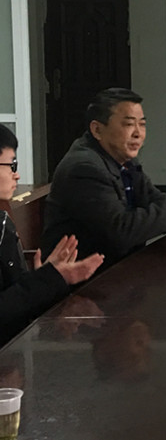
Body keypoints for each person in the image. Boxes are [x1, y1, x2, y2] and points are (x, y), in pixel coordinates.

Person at [42, 88, 166, 267]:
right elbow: (121, 232)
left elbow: (153, 201)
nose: (138, 133)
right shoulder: (84, 168)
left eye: (142, 124)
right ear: (97, 130)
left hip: (118, 269)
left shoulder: (125, 161)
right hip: (86, 277)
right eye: (128, 124)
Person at [0, 124, 103, 345]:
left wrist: (45, 278)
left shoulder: (3, 222)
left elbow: (15, 295)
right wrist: (48, 279)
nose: (17, 175)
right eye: (12, 165)